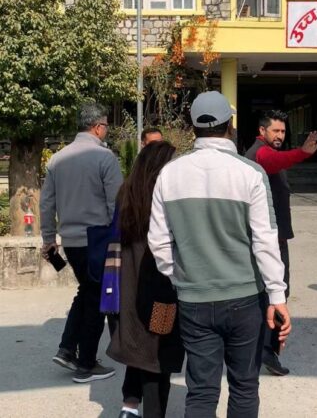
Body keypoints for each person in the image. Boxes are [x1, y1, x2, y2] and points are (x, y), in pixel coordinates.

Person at [148, 91, 291, 418]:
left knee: (201, 391)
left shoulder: (169, 174)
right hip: (245, 298)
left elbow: (158, 241)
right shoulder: (250, 173)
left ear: (193, 127)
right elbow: (265, 241)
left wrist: (180, 277)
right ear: (230, 125)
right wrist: (277, 296)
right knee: (244, 386)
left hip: (193, 299)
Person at [40, 102, 122, 383]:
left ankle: (66, 349)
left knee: (87, 291)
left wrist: (49, 238)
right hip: (99, 238)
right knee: (98, 298)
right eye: (106, 126)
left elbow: (46, 204)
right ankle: (86, 363)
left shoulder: (57, 159)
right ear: (98, 127)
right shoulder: (104, 157)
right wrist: (121, 237)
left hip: (71, 241)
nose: (106, 130)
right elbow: (117, 203)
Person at [107, 141, 184, 418]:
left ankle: (129, 406)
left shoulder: (126, 193)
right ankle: (153, 412)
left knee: (138, 345)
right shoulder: (164, 197)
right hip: (159, 283)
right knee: (157, 354)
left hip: (126, 283)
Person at [245, 110, 317, 376]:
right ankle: (268, 350)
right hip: (270, 239)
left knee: (266, 293)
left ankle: (262, 347)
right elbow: (277, 160)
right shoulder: (260, 153)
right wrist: (302, 153)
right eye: (275, 131)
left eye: (283, 131)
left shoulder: (261, 152)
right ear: (262, 131)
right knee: (277, 293)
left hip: (271, 235)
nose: (280, 135)